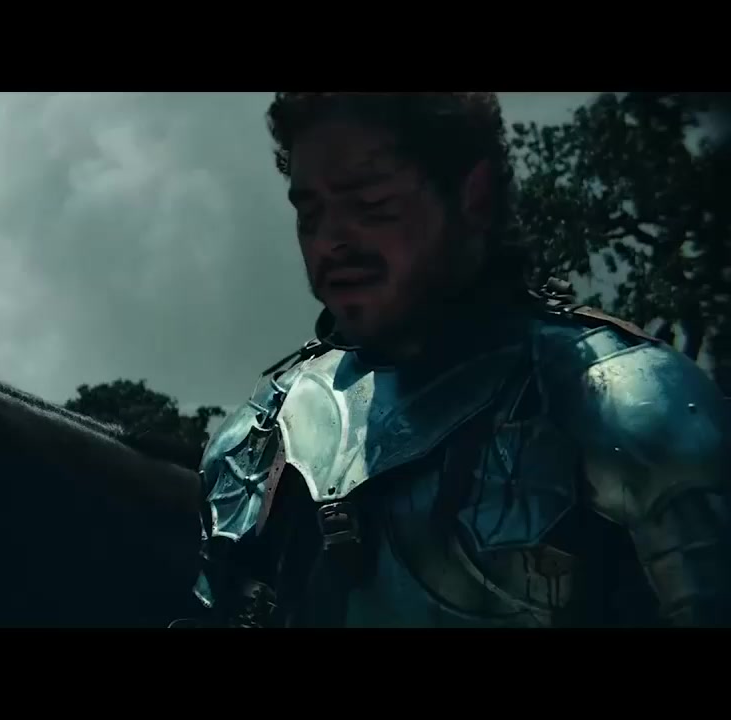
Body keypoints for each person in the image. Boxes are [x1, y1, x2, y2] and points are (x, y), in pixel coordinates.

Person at [188, 92, 730, 628]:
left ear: (473, 196)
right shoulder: (264, 436)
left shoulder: (623, 404)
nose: (330, 239)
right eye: (310, 213)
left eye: (370, 203)